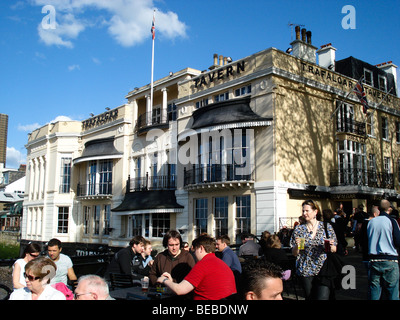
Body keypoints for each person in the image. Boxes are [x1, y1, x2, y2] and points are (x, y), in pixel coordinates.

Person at [157, 234, 236, 300]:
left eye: (195, 250)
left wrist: (164, 280)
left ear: (201, 248)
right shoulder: (222, 264)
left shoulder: (203, 265)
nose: (194, 254)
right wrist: (171, 283)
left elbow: (180, 290)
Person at [290, 200, 337, 300]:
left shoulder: (326, 227)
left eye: (307, 210)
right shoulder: (299, 229)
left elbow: (334, 249)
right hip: (305, 269)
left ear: (315, 212)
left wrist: (330, 245)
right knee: (310, 297)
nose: (304, 213)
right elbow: (294, 253)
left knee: (322, 297)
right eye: (303, 211)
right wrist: (297, 247)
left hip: (323, 268)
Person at [367, 199, 400, 300]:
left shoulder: (371, 222)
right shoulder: (391, 221)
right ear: (389, 209)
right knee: (392, 291)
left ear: (378, 208)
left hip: (374, 259)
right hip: (390, 259)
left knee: (374, 290)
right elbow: (398, 241)